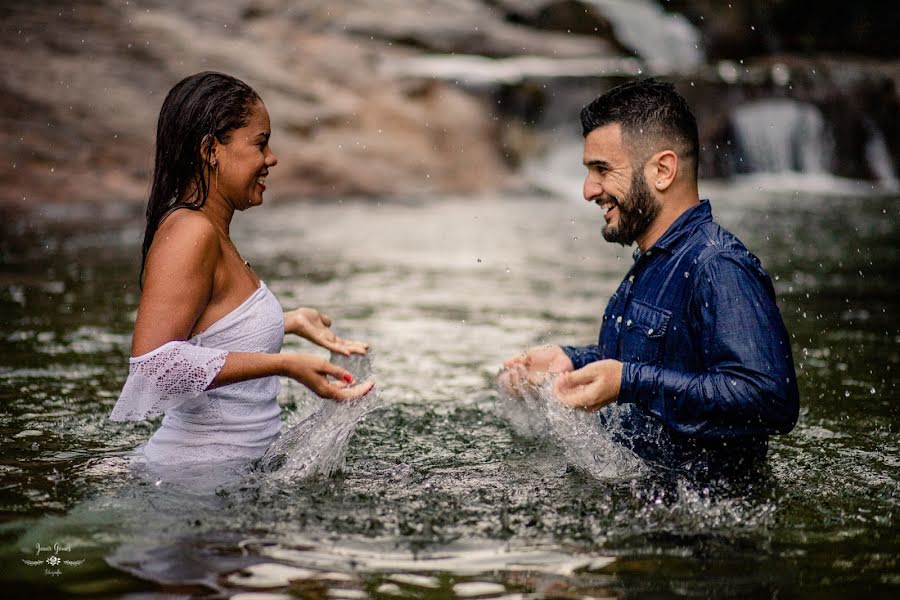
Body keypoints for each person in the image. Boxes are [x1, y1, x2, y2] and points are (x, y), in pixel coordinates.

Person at [499, 79, 799, 480]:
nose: (589, 190)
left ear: (662, 170)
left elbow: (770, 398)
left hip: (703, 531)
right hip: (648, 506)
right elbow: (660, 357)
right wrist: (572, 361)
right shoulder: (656, 259)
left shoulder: (718, 265)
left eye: (602, 170)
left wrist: (628, 381)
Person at [109, 72, 374, 466]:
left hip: (223, 482)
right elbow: (153, 368)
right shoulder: (191, 233)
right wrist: (286, 364)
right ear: (210, 149)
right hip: (190, 487)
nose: (271, 159)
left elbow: (209, 335)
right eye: (260, 143)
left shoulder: (210, 231)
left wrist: (286, 321)